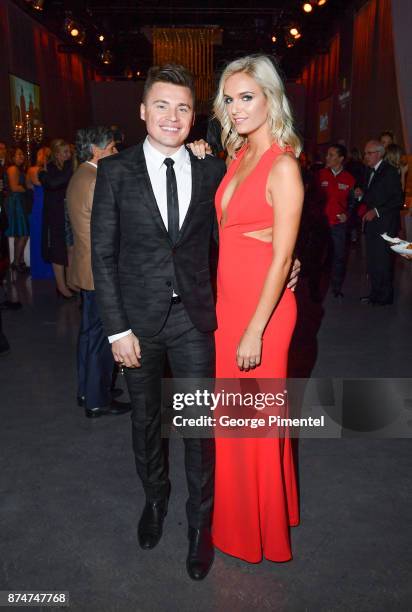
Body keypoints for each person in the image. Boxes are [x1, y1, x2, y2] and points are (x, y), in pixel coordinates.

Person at [92, 64, 227, 581]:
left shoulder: (211, 169)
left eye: (184, 107)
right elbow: (103, 256)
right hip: (138, 325)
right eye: (162, 106)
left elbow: (230, 237)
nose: (173, 116)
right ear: (143, 111)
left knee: (197, 426)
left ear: (195, 116)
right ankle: (155, 500)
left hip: (193, 320)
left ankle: (200, 525)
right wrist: (116, 329)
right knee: (145, 422)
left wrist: (286, 260)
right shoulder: (115, 172)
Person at [210, 54, 303, 563]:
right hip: (230, 305)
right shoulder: (236, 155)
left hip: (261, 315)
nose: (238, 107)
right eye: (230, 99)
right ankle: (258, 513)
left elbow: (283, 253)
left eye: (248, 96)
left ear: (271, 98)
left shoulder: (284, 164)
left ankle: (257, 530)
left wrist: (254, 331)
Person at [66, 126, 130, 419]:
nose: (116, 153)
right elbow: (108, 231)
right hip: (98, 270)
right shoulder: (95, 180)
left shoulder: (80, 175)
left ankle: (88, 389)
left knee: (89, 335)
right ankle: (97, 399)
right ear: (96, 150)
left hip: (85, 265)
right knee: (103, 338)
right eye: (113, 148)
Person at [357, 140, 403, 305]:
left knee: (383, 261)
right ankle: (375, 294)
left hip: (385, 224)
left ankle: (384, 297)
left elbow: (398, 199)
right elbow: (373, 196)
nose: (366, 156)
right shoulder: (369, 171)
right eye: (365, 153)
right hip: (373, 224)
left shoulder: (389, 172)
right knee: (373, 260)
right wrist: (361, 195)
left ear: (379, 154)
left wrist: (376, 211)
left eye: (369, 153)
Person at [314, 144, 355, 298]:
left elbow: (352, 203)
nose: (327, 158)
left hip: (339, 226)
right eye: (328, 154)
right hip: (322, 225)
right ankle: (317, 288)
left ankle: (336, 288)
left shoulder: (349, 179)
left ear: (341, 159)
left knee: (339, 257)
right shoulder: (319, 175)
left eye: (331, 155)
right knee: (319, 257)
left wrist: (348, 214)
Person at [39, 139, 74, 298]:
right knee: (58, 249)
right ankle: (61, 287)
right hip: (55, 214)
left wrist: (43, 174)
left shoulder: (66, 167)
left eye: (69, 151)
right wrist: (43, 174)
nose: (69, 154)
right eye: (65, 152)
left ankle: (70, 282)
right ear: (57, 153)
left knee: (71, 249)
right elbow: (54, 184)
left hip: (67, 212)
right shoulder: (51, 168)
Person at [26, 147, 54, 279]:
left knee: (39, 236)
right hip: (44, 206)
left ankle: (40, 269)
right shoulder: (42, 170)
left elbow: (29, 186)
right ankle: (47, 270)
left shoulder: (31, 170)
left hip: (38, 205)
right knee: (44, 236)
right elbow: (41, 183)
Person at [4, 147, 30, 273]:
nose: (22, 156)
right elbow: (14, 188)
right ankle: (16, 262)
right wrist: (29, 187)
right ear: (12, 157)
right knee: (23, 234)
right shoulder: (13, 168)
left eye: (22, 154)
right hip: (16, 202)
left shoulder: (17, 169)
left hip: (18, 202)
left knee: (21, 234)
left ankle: (18, 262)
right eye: (19, 154)